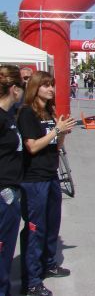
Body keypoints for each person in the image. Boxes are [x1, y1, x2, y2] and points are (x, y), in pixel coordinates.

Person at [17, 71, 77, 296]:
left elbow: (57, 145)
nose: (51, 89)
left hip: (51, 175)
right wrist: (55, 131)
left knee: (52, 224)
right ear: (35, 88)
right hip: (34, 179)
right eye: (46, 86)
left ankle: (49, 263)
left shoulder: (48, 111)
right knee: (35, 229)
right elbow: (31, 146)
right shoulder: (26, 114)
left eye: (52, 85)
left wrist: (62, 134)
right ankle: (31, 281)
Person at [0, 65, 25, 296]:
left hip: (11, 193)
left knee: (6, 254)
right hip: (3, 195)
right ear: (14, 89)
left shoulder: (9, 116)